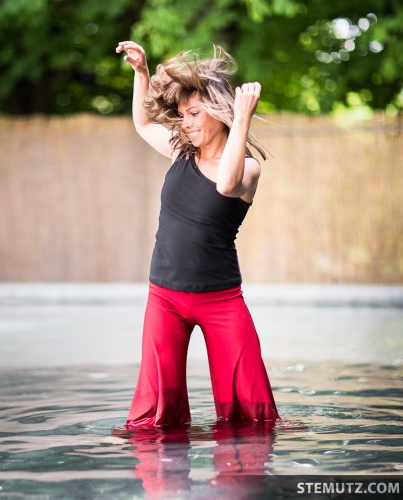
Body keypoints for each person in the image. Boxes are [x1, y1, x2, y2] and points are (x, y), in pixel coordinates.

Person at [116, 40, 279, 428]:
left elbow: (225, 184)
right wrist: (141, 73)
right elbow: (142, 124)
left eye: (194, 114)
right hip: (165, 297)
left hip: (221, 301)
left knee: (250, 415)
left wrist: (241, 120)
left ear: (220, 114)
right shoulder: (180, 152)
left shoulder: (249, 169)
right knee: (153, 418)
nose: (185, 123)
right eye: (182, 115)